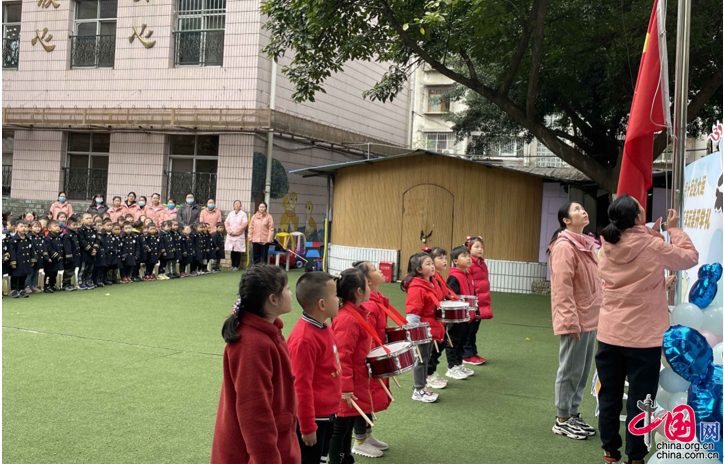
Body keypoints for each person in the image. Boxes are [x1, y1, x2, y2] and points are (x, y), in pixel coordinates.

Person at [596, 196, 698, 464]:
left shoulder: (607, 243)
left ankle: (610, 453)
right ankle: (636, 457)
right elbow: (690, 257)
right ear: (639, 218)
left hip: (610, 334)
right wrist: (673, 230)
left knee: (609, 396)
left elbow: (627, 280)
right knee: (642, 401)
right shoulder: (653, 245)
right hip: (643, 339)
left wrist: (657, 282)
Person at [210, 265, 299, 464]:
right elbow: (254, 413)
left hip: (278, 444)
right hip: (252, 455)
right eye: (287, 288)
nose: (290, 293)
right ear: (273, 299)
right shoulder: (252, 344)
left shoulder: (268, 334)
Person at [548, 202, 601, 441]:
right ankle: (562, 419)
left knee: (582, 370)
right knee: (569, 370)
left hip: (590, 317)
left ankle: (573, 413)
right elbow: (562, 288)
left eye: (583, 208)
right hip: (576, 319)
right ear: (566, 220)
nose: (583, 211)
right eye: (577, 209)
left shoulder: (585, 244)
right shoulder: (564, 247)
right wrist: (569, 321)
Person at [287, 272, 342, 464]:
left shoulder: (324, 327)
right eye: (335, 295)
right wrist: (308, 427)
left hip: (328, 413)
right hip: (315, 419)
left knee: (321, 458)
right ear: (322, 304)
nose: (339, 299)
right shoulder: (304, 340)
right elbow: (301, 388)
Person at [328, 268, 378, 463]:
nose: (370, 288)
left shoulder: (355, 313)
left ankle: (346, 458)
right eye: (367, 284)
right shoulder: (347, 318)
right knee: (340, 428)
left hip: (356, 379)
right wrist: (346, 388)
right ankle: (337, 460)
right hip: (347, 383)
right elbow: (342, 356)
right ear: (359, 291)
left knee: (347, 425)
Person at [354, 261, 393, 450]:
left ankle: (367, 436)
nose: (380, 271)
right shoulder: (370, 304)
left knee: (369, 398)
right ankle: (360, 440)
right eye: (375, 269)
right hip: (368, 359)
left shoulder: (377, 299)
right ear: (367, 281)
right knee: (364, 398)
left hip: (375, 355)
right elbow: (367, 335)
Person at [402, 251, 441, 403]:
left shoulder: (430, 283)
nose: (432, 266)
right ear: (419, 269)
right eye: (428, 264)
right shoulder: (417, 287)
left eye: (432, 263)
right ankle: (418, 389)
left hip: (429, 328)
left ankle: (422, 386)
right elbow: (413, 312)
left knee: (425, 357)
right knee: (420, 359)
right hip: (421, 330)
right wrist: (414, 333)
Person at [428, 247, 468, 385]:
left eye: (445, 258)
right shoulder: (431, 279)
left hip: (440, 319)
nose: (444, 261)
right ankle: (428, 375)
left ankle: (432, 372)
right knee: (433, 349)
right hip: (433, 319)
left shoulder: (439, 277)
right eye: (440, 258)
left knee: (440, 346)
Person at [446, 246, 476, 380]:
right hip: (457, 317)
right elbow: (451, 296)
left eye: (469, 255)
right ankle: (452, 367)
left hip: (468, 316)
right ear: (455, 261)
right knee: (453, 342)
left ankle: (459, 364)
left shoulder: (468, 275)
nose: (468, 258)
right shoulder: (453, 277)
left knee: (463, 340)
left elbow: (473, 294)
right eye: (464, 256)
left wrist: (475, 310)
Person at [464, 236, 491, 365]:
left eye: (481, 247)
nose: (480, 249)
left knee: (474, 329)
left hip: (480, 300)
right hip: (472, 301)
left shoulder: (481, 263)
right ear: (469, 248)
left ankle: (472, 352)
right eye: (476, 247)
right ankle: (467, 354)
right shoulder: (469, 264)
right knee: (469, 329)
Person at [9, 220, 33, 298]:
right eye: (21, 226)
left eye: (25, 227)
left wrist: (33, 259)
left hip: (26, 260)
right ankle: (13, 290)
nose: (23, 228)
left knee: (24, 275)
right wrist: (13, 261)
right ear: (16, 228)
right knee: (15, 276)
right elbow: (12, 252)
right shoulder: (13, 240)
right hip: (17, 261)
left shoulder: (28, 239)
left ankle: (22, 289)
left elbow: (32, 250)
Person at [77, 212, 99, 290]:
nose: (89, 220)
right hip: (84, 253)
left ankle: (88, 281)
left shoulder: (94, 229)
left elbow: (97, 240)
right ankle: (80, 282)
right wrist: (90, 250)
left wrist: (94, 249)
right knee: (83, 268)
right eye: (87, 218)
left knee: (90, 268)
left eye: (90, 218)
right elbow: (82, 241)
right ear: (82, 220)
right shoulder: (80, 230)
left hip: (93, 253)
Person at [224, 200, 248, 271]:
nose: (237, 205)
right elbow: (226, 223)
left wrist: (236, 232)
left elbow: (244, 224)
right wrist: (229, 231)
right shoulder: (230, 213)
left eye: (238, 204)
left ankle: (237, 266)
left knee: (237, 250)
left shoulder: (243, 214)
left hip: (239, 235)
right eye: (235, 204)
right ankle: (233, 265)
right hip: (231, 234)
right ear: (233, 205)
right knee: (232, 250)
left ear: (241, 205)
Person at [43, 220, 64, 293]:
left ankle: (52, 285)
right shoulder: (48, 238)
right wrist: (56, 255)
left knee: (55, 273)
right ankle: (47, 286)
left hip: (57, 259)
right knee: (49, 273)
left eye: (58, 226)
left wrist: (60, 255)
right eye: (55, 226)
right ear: (49, 228)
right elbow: (49, 249)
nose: (58, 228)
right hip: (51, 259)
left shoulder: (58, 237)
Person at [62, 216, 81, 291]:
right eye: (74, 225)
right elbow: (67, 247)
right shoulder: (67, 235)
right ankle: (66, 284)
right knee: (68, 271)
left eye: (76, 224)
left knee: (72, 270)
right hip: (69, 257)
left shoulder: (75, 234)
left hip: (75, 255)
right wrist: (69, 256)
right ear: (68, 225)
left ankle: (69, 284)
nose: (76, 226)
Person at [25, 221, 45, 293]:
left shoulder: (41, 236)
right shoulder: (29, 237)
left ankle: (34, 285)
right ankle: (27, 286)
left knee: (36, 272)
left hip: (39, 257)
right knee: (30, 272)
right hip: (31, 257)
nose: (38, 228)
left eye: (39, 227)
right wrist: (32, 258)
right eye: (35, 227)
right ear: (30, 228)